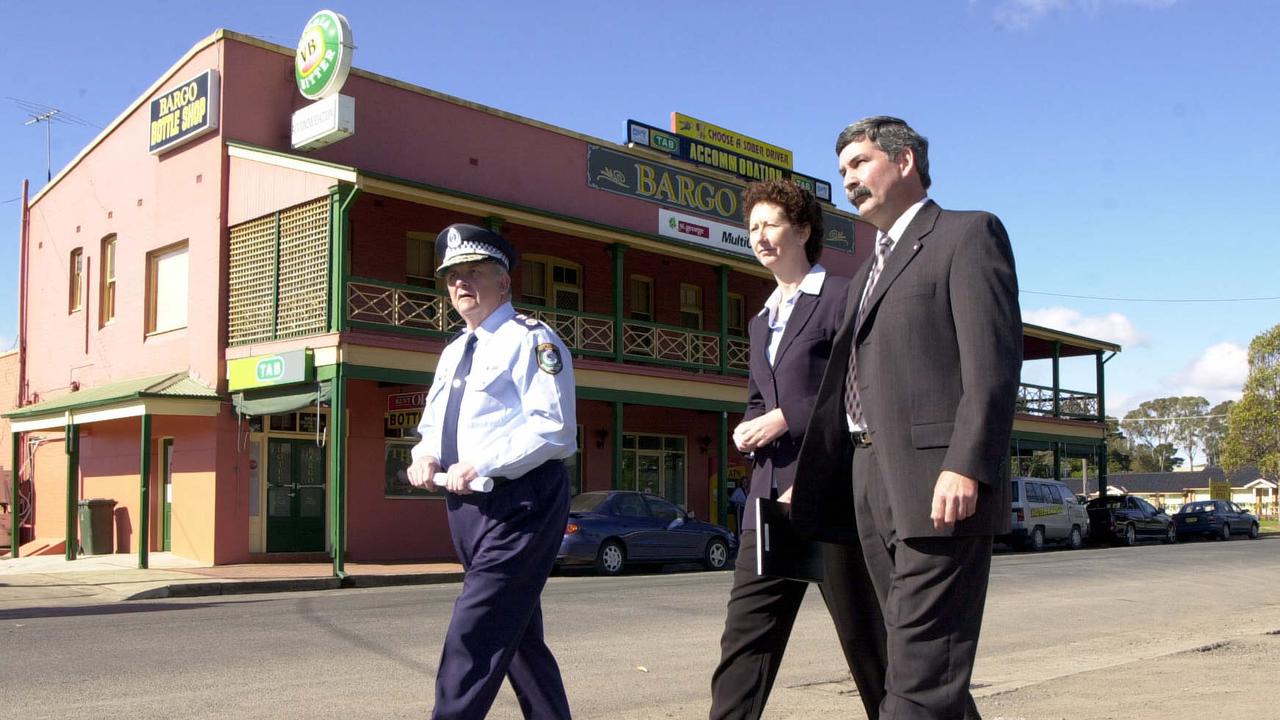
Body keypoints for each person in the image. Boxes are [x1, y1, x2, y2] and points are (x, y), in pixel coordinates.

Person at [791, 117, 1022, 719]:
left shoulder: (968, 236)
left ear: (905, 161)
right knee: (920, 660)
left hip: (939, 486)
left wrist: (966, 464)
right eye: (842, 171)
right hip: (870, 484)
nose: (848, 181)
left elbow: (992, 366)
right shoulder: (865, 273)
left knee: (919, 676)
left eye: (860, 163)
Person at [709, 180, 887, 720]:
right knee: (743, 646)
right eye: (753, 228)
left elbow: (866, 388)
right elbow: (760, 397)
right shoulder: (761, 320)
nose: (760, 237)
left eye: (771, 225)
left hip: (831, 500)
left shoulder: (842, 296)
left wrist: (790, 416)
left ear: (804, 230)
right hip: (768, 506)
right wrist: (748, 426)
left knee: (873, 646)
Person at [407, 223, 577, 720]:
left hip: (521, 502)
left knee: (476, 627)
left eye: (474, 273)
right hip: (466, 506)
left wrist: (483, 463)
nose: (462, 284)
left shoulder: (532, 340)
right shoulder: (455, 349)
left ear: (504, 283)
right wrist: (425, 457)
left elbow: (554, 430)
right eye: (453, 276)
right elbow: (434, 423)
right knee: (517, 634)